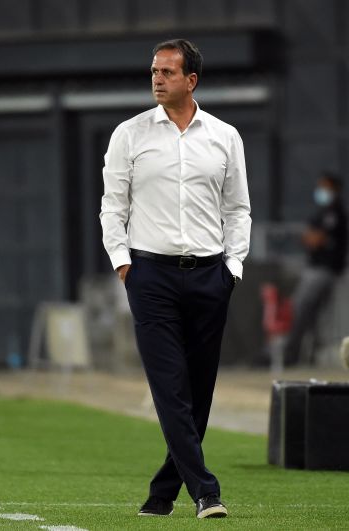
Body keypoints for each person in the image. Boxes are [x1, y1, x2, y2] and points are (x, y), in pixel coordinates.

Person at [100, 39, 251, 519]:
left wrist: (233, 267)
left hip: (211, 276)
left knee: (199, 391)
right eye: (154, 71)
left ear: (191, 80)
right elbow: (112, 207)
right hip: (151, 277)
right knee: (170, 385)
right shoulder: (129, 134)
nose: (157, 79)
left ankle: (162, 492)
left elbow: (238, 208)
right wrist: (124, 264)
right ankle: (206, 491)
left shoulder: (225, 136)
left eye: (167, 72)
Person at [282, 172, 349, 367]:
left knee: (300, 308)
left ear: (334, 188)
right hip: (316, 268)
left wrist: (311, 237)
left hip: (323, 270)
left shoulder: (335, 212)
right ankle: (307, 355)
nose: (320, 190)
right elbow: (311, 237)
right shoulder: (323, 211)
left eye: (324, 186)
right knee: (311, 315)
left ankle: (292, 354)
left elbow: (315, 239)